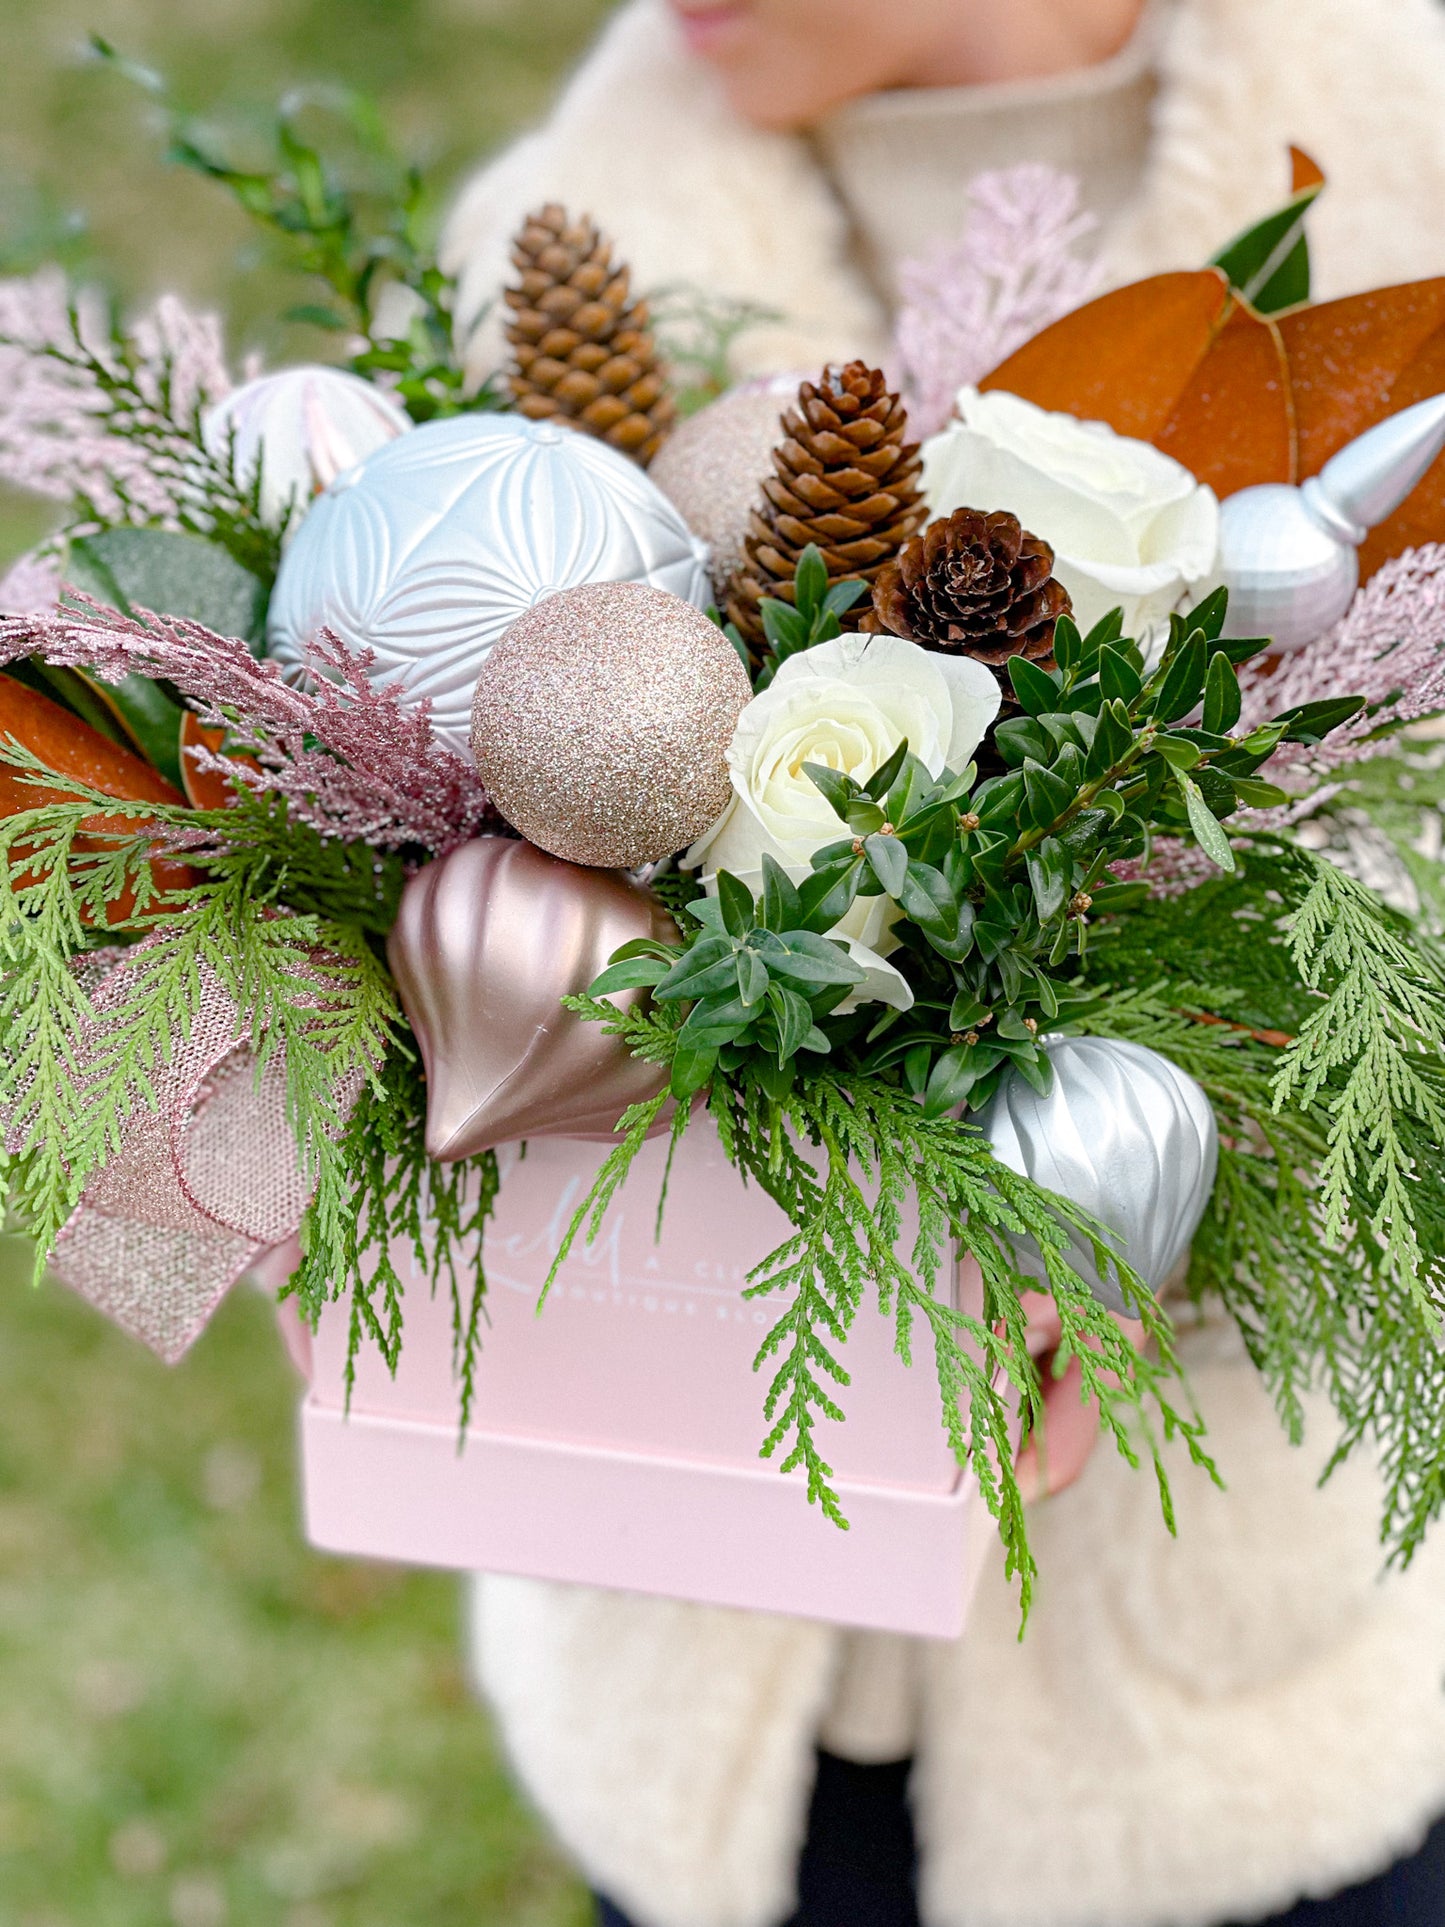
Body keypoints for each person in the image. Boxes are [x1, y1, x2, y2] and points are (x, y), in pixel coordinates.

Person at [440, 3, 1445, 1924]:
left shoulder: (1404, 198)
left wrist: (1177, 1185)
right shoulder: (557, 256)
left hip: (1220, 1696)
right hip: (696, 1653)